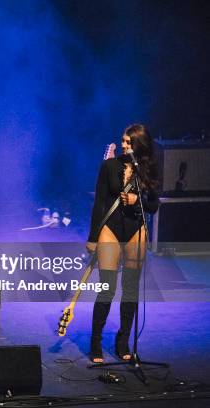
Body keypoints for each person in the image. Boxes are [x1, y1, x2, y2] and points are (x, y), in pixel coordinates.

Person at [86, 124, 159, 363]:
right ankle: (95, 342)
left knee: (130, 289)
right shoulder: (109, 166)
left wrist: (139, 200)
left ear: (140, 144)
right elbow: (99, 203)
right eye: (123, 141)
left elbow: (154, 205)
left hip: (136, 229)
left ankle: (123, 340)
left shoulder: (148, 170)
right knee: (107, 288)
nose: (125, 145)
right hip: (111, 229)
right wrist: (92, 238)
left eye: (129, 142)